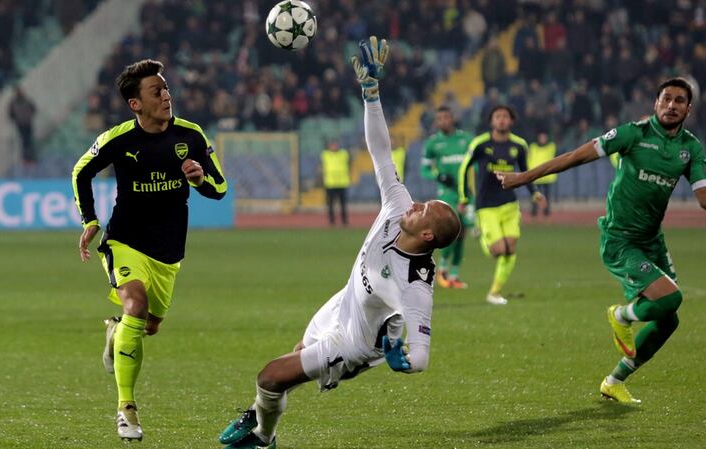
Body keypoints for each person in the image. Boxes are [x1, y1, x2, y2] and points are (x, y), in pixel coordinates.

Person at [218, 36, 461, 449]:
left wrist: (402, 360)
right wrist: (371, 94)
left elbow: (422, 354)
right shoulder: (398, 205)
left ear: (426, 235)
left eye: (424, 210)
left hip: (353, 344)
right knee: (296, 353)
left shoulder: (414, 283)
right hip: (344, 302)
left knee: (269, 377)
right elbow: (381, 152)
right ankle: (263, 425)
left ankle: (262, 434)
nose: (415, 204)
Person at [496, 77, 706, 403]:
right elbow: (574, 156)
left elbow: (705, 200)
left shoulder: (690, 148)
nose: (671, 105)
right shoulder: (632, 134)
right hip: (620, 239)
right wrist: (522, 178)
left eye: (679, 100)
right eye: (666, 98)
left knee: (668, 320)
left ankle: (614, 381)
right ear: (655, 103)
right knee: (671, 298)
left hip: (652, 240)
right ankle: (621, 315)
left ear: (688, 109)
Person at [72, 59, 227, 440]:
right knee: (135, 305)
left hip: (168, 251)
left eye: (166, 88)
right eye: (156, 91)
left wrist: (200, 180)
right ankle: (126, 409)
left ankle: (116, 332)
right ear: (135, 104)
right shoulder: (118, 139)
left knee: (149, 326)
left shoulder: (191, 135)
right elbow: (81, 171)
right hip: (125, 240)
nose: (166, 96)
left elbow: (220, 188)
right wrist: (90, 220)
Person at [458, 105, 546, 305]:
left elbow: (526, 172)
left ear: (511, 121)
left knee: (510, 248)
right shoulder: (480, 144)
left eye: (505, 116)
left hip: (509, 204)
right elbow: (464, 168)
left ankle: (495, 292)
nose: (501, 120)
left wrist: (534, 193)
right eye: (497, 116)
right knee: (498, 250)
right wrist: (464, 197)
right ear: (492, 121)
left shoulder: (519, 145)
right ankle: (480, 230)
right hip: (486, 205)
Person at [421, 105, 473, 288]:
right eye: (439, 118)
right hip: (447, 193)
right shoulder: (432, 143)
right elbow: (424, 170)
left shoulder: (466, 139)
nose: (442, 121)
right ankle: (442, 270)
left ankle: (454, 275)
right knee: (453, 230)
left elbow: (476, 163)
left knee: (462, 234)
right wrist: (439, 176)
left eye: (446, 117)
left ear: (452, 119)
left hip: (466, 192)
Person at [320, 140, 351, 226]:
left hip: (342, 183)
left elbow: (349, 162)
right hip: (330, 183)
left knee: (343, 204)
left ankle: (344, 221)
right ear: (329, 146)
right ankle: (331, 221)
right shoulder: (325, 154)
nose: (334, 146)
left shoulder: (343, 154)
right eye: (332, 145)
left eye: (335, 145)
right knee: (330, 204)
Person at [527, 130, 557, 217]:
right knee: (535, 194)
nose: (543, 139)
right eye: (541, 137)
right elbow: (529, 159)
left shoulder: (551, 147)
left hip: (547, 176)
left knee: (547, 195)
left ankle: (546, 210)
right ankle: (534, 210)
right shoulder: (533, 147)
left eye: (544, 137)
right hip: (536, 176)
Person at [8, 87, 37, 169]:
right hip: (21, 124)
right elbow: (10, 114)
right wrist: (17, 120)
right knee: (25, 142)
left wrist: (28, 116)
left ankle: (31, 159)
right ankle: (26, 159)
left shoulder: (27, 101)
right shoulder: (13, 103)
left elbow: (34, 109)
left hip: (27, 123)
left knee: (29, 141)